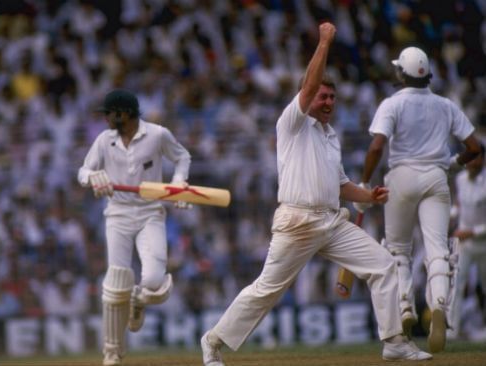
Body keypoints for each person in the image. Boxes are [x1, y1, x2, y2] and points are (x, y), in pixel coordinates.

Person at [200, 23, 431, 366]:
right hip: (297, 221)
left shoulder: (330, 136)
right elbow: (309, 86)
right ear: (306, 98)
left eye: (332, 98)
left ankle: (394, 341)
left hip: (331, 221)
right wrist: (323, 42)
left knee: (383, 265)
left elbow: (340, 185)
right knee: (267, 290)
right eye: (323, 97)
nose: (328, 102)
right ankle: (213, 341)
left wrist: (370, 197)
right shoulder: (291, 123)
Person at [357, 46, 482, 353]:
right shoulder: (445, 105)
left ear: (402, 73)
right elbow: (476, 147)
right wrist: (454, 163)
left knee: (398, 249)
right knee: (438, 250)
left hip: (401, 176)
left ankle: (404, 310)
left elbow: (376, 147)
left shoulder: (392, 103)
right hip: (436, 177)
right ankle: (438, 304)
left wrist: (364, 182)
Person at [77, 89, 191, 366]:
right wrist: (94, 176)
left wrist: (178, 183)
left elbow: (182, 157)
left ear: (124, 114)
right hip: (117, 214)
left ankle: (138, 299)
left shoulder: (157, 134)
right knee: (116, 282)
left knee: (153, 282)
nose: (105, 119)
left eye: (109, 113)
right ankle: (112, 353)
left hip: (151, 212)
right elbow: (82, 172)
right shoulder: (105, 141)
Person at [448, 144, 486, 340]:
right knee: (456, 285)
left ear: (483, 160)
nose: (472, 162)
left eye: (477, 158)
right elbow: (458, 205)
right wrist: (450, 216)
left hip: (483, 244)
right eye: (470, 158)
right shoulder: (460, 179)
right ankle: (451, 330)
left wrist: (471, 232)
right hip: (465, 245)